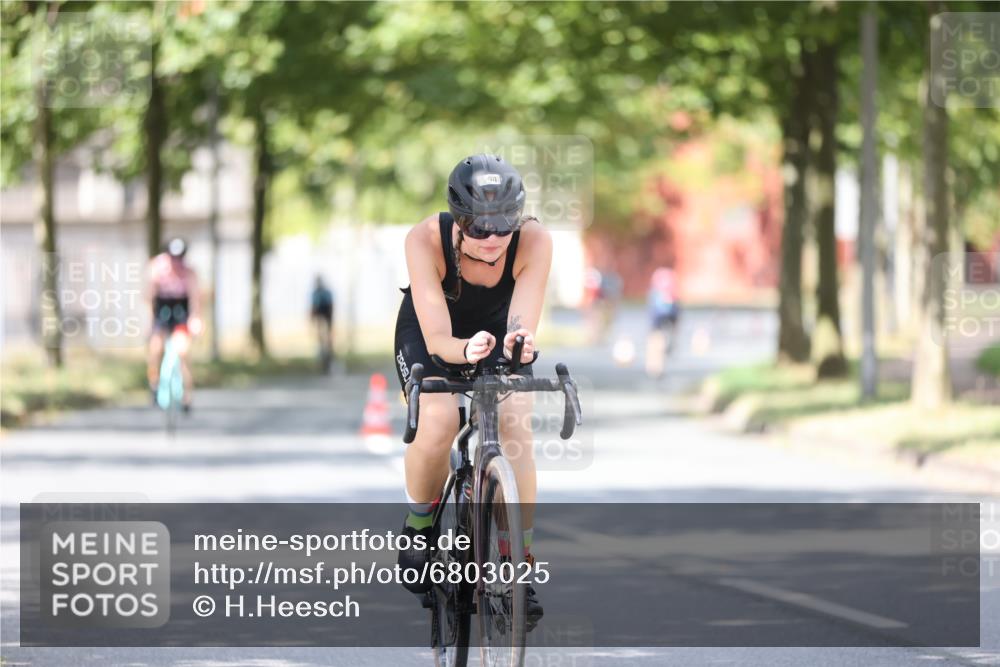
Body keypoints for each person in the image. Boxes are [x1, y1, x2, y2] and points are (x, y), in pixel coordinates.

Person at [393, 154, 552, 625]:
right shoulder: (425, 239)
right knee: (440, 420)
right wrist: (463, 352)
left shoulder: (535, 241)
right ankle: (419, 528)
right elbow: (440, 340)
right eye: (478, 230)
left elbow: (521, 323)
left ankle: (519, 565)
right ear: (458, 221)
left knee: (514, 421)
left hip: (495, 332)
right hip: (433, 332)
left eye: (503, 228)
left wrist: (518, 345)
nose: (492, 240)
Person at [146, 238, 201, 411]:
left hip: (181, 312)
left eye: (180, 257)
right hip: (162, 310)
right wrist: (149, 321)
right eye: (173, 257)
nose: (176, 262)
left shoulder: (189, 272)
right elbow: (149, 297)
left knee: (183, 351)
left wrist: (195, 319)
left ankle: (186, 396)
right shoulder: (157, 268)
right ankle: (154, 385)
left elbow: (195, 299)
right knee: (155, 348)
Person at [645, 266, 680, 379]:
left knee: (657, 343)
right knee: (660, 343)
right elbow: (676, 311)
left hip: (658, 323)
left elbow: (653, 310)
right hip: (665, 322)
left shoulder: (656, 292)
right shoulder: (668, 293)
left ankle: (655, 367)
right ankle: (657, 366)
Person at [310, 275, 335, 371]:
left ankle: (329, 355)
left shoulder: (324, 292)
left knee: (327, 338)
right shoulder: (316, 293)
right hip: (321, 316)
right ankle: (323, 356)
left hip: (326, 315)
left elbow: (330, 306)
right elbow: (313, 308)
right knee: (321, 337)